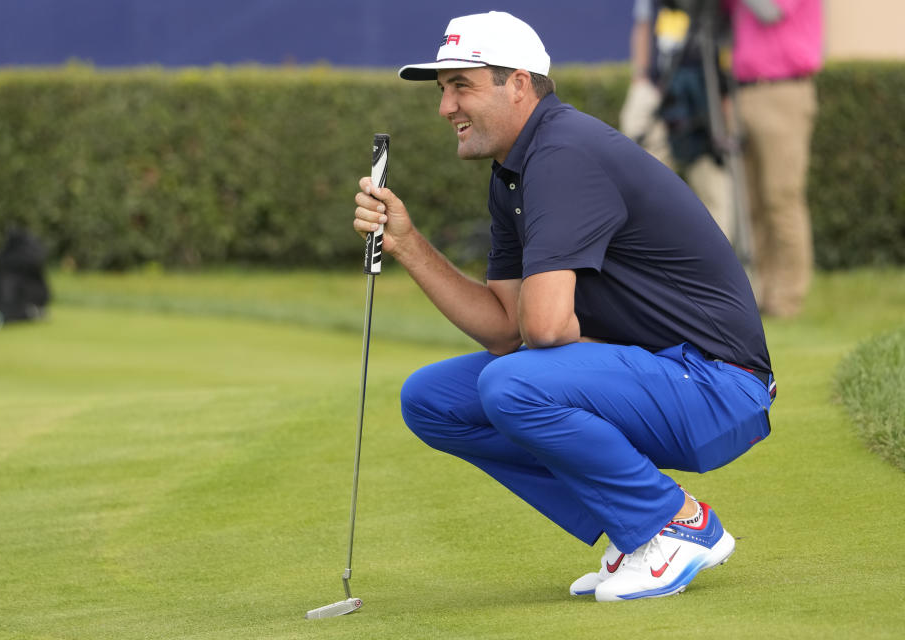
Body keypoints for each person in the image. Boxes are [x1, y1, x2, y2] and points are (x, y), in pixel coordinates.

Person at [352, 11, 775, 602]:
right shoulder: (513, 173)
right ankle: (638, 529)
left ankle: (673, 523)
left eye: (461, 86)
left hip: (717, 386)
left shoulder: (563, 153)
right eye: (443, 90)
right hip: (662, 376)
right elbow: (505, 330)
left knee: (513, 385)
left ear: (519, 83)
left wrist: (553, 347)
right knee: (432, 401)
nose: (445, 108)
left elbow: (545, 330)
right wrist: (405, 242)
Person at [725, 0, 822, 317]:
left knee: (781, 198)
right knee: (751, 204)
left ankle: (788, 300)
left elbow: (769, 10)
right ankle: (761, 294)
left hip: (783, 92)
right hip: (744, 91)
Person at [621, 0, 736, 243]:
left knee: (713, 184)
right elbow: (643, 24)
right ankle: (646, 254)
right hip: (657, 86)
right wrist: (641, 77)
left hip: (706, 90)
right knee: (643, 183)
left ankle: (716, 263)